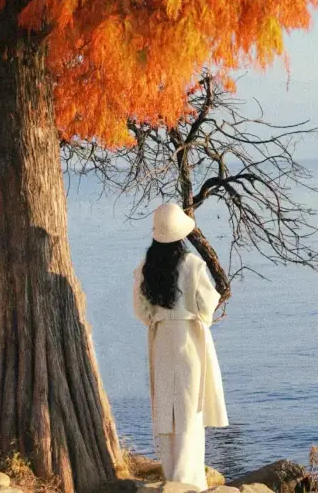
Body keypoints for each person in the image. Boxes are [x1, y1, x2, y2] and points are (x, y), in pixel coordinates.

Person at [133, 203, 228, 491]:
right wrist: (202, 319)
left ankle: (171, 474)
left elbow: (140, 310)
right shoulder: (193, 265)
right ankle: (189, 481)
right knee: (189, 409)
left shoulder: (145, 267)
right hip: (188, 337)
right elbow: (208, 302)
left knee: (166, 408)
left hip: (161, 337)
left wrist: (158, 319)